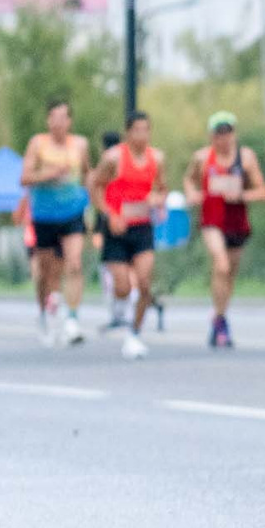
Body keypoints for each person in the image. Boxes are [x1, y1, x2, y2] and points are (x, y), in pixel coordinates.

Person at [183, 112, 265, 348]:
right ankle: (221, 322)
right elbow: (189, 180)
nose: (224, 138)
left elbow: (262, 191)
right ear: (211, 136)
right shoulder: (202, 158)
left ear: (234, 134)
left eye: (228, 132)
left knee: (229, 274)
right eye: (219, 133)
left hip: (237, 223)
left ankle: (219, 316)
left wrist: (241, 194)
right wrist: (192, 193)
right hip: (212, 221)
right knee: (220, 265)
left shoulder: (246, 158)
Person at [89, 112, 164, 360]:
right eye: (137, 130)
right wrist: (109, 214)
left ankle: (134, 334)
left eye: (146, 130)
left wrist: (158, 202)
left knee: (144, 283)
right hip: (117, 228)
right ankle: (119, 309)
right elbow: (95, 186)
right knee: (122, 286)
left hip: (142, 227)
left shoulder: (156, 159)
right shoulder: (114, 158)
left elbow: (161, 189)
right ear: (128, 133)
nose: (142, 135)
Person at [21, 100, 92, 346]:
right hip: (44, 215)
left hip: (72, 212)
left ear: (70, 121)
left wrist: (93, 203)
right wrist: (48, 174)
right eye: (54, 117)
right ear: (48, 120)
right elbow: (25, 178)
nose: (59, 122)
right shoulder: (38, 144)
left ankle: (72, 319)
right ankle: (44, 312)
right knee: (46, 272)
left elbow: (87, 175)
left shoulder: (80, 144)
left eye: (63, 117)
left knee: (74, 263)